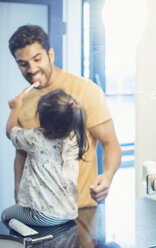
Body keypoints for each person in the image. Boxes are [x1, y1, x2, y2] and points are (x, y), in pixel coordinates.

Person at [8, 25, 122, 208]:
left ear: (50, 55)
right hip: (39, 212)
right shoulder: (21, 101)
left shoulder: (86, 90)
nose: (32, 69)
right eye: (23, 64)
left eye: (37, 59)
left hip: (81, 209)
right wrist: (17, 191)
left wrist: (107, 176)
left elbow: (111, 144)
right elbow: (21, 152)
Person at [2, 89, 87, 226]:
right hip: (69, 213)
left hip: (41, 216)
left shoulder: (35, 139)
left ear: (42, 118)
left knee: (5, 215)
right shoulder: (74, 139)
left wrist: (15, 108)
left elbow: (9, 131)